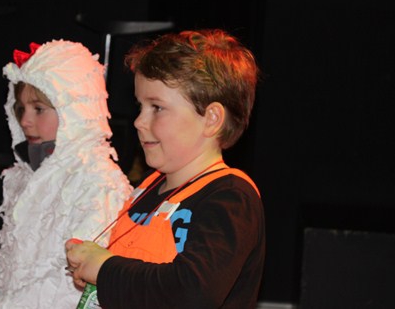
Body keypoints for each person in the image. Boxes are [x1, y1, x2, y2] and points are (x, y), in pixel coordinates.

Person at [65, 29, 265, 308]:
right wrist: (90, 264)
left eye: (157, 108)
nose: (139, 121)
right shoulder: (148, 187)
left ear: (211, 119)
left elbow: (194, 292)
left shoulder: (231, 197)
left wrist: (105, 269)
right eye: (141, 106)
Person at [0, 40, 132, 309]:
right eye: (20, 108)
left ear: (74, 110)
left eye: (38, 109)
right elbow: (13, 258)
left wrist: (2, 306)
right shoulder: (27, 175)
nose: (25, 120)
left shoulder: (99, 183)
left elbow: (74, 283)